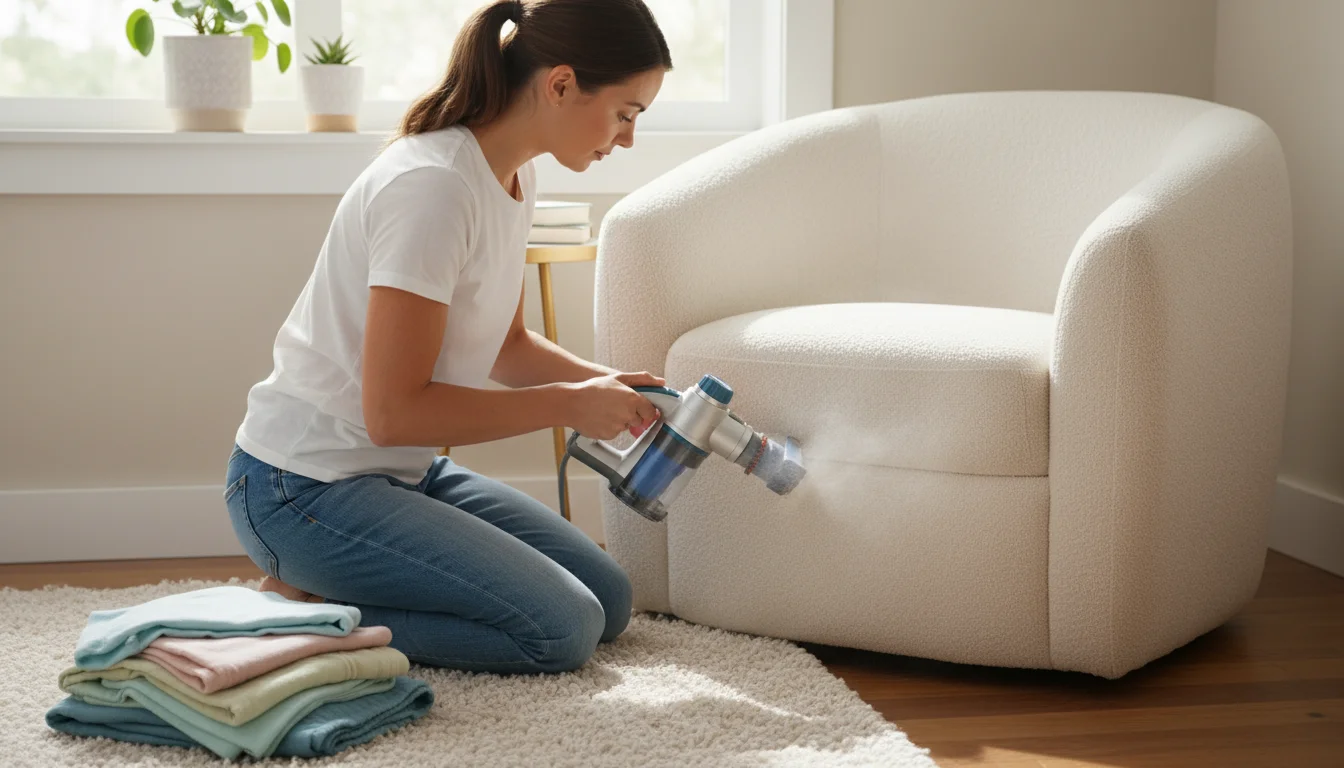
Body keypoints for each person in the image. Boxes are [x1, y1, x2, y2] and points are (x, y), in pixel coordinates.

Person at [223, 0, 672, 674]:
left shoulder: (514, 176)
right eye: (626, 113)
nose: (628, 138)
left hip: (398, 475)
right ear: (560, 84)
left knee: (607, 599)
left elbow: (506, 346)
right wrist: (569, 405)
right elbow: (394, 413)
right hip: (302, 488)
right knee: (562, 629)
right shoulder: (433, 187)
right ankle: (299, 613)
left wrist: (603, 385)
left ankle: (329, 590)